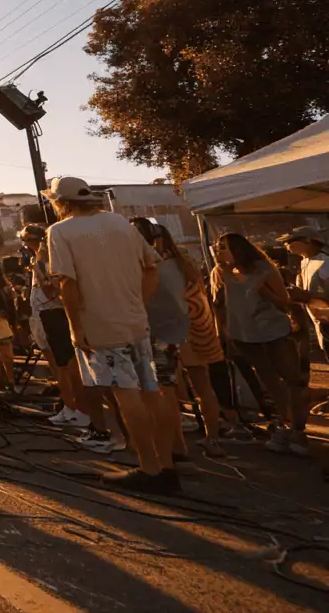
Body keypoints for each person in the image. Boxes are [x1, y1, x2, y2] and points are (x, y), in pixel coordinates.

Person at [45, 176, 176, 493]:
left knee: (125, 394)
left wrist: (76, 329)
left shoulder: (59, 232)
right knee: (149, 389)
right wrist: (139, 303)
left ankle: (149, 468)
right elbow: (151, 269)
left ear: (59, 202)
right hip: (134, 320)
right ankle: (167, 466)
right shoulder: (119, 223)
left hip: (100, 324)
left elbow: (67, 284)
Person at [133, 219, 226, 459]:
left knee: (167, 389)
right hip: (196, 327)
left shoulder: (152, 266)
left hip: (167, 331)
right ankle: (212, 438)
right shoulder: (185, 262)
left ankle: (177, 444)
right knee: (203, 386)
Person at [212, 232, 309, 456]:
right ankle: (283, 425)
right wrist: (224, 335)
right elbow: (220, 306)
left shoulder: (263, 269)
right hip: (244, 335)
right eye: (218, 247)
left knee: (291, 379)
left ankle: (298, 431)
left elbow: (284, 300)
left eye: (224, 247)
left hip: (272, 331)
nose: (219, 251)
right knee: (269, 382)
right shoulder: (221, 272)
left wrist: (262, 290)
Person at [19, 225, 92, 430]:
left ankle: (81, 409)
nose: (23, 245)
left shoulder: (46, 258)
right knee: (58, 366)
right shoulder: (39, 259)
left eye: (26, 240)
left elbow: (52, 289)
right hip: (43, 314)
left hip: (53, 312)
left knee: (67, 365)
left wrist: (38, 269)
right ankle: (69, 406)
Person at [281, 226, 329, 354]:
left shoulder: (325, 263)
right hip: (320, 321)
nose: (286, 244)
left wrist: (307, 297)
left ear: (308, 241)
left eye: (291, 241)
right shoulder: (304, 262)